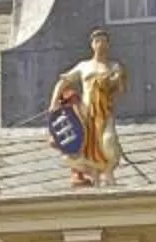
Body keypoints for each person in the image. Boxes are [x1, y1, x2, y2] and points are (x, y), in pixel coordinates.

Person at [48, 27, 126, 188]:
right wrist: (54, 102)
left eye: (103, 41)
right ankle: (95, 174)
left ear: (108, 44)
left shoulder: (114, 66)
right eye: (97, 41)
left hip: (104, 112)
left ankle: (108, 171)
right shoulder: (84, 66)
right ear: (92, 45)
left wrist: (114, 81)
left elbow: (120, 89)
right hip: (86, 112)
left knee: (108, 141)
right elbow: (63, 82)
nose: (100, 44)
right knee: (87, 146)